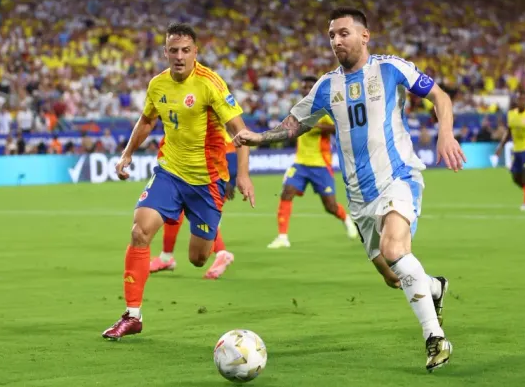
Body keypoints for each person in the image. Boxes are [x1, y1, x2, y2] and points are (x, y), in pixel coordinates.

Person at [234, 7, 465, 372]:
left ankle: (435, 338)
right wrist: (259, 137)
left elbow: (441, 97)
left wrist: (445, 133)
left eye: (343, 33)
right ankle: (434, 288)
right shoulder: (327, 86)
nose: (336, 41)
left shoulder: (391, 68)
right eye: (331, 35)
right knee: (395, 275)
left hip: (399, 177)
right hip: (359, 197)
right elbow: (295, 123)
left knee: (394, 249)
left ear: (364, 36)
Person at [102, 22, 255, 340]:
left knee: (198, 259)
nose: (179, 56)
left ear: (196, 52)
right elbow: (146, 120)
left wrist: (242, 175)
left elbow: (239, 131)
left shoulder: (210, 84)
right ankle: (132, 315)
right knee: (139, 231)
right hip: (169, 173)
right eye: (173, 50)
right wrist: (127, 154)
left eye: (186, 50)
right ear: (165, 52)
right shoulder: (157, 84)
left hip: (207, 182)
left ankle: (213, 244)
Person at [268, 75, 359, 249]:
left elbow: (338, 128)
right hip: (301, 162)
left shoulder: (324, 109)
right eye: (304, 86)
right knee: (287, 192)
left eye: (309, 86)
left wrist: (315, 126)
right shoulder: (298, 109)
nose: (306, 89)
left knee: (330, 206)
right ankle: (282, 237)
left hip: (320, 164)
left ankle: (346, 219)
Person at [149, 132, 237, 279]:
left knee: (203, 221)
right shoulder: (187, 124)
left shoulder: (213, 128)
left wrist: (230, 182)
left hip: (210, 183)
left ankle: (222, 253)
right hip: (189, 178)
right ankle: (166, 257)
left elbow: (232, 157)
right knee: (175, 212)